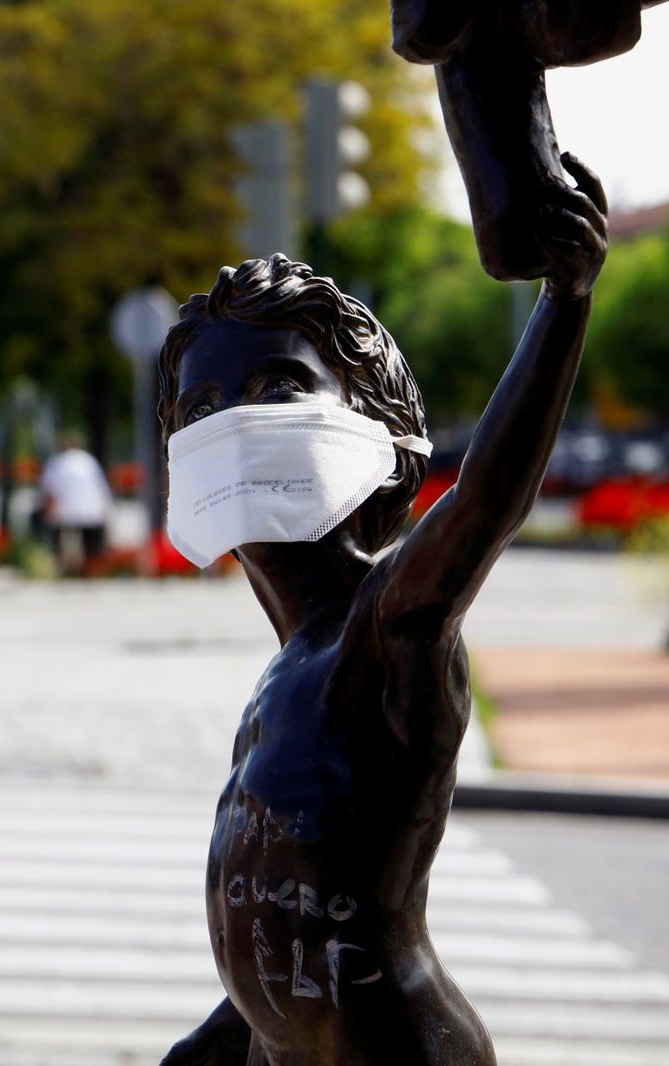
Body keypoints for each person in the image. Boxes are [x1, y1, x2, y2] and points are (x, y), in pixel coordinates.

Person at [156, 156, 604, 1065]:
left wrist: (565, 303)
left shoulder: (389, 627)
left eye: (278, 390)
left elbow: (485, 501)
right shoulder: (286, 666)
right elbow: (285, 901)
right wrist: (222, 1035)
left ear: (385, 445)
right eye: (201, 409)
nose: (233, 428)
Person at [38, 431, 112, 575]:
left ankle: (63, 566)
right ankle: (89, 568)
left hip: (65, 510)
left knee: (60, 539)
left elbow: (50, 489)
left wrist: (47, 511)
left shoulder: (58, 462)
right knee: (89, 542)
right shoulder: (89, 461)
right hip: (91, 510)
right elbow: (101, 487)